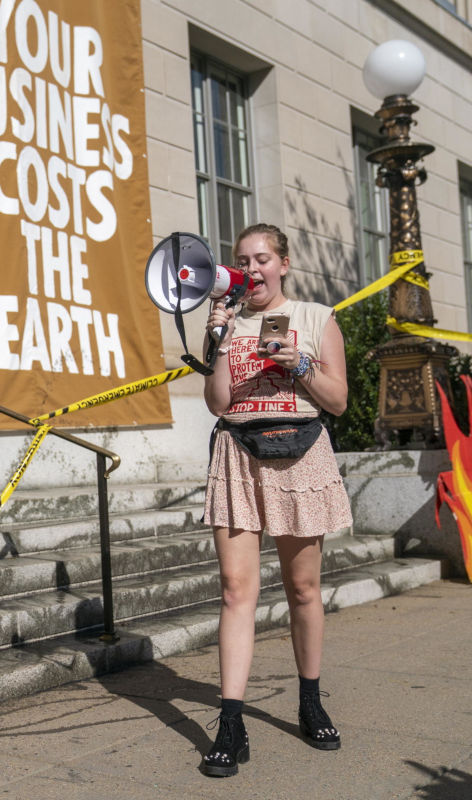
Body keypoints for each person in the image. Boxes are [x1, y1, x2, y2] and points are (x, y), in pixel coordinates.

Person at [198, 223, 352, 777]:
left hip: (300, 448)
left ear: (283, 263)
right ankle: (231, 722)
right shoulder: (227, 323)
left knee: (303, 588)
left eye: (261, 257)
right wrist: (217, 341)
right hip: (238, 451)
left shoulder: (316, 318)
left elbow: (337, 402)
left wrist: (299, 364)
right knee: (236, 590)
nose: (251, 268)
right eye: (242, 259)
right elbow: (218, 402)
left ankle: (310, 701)